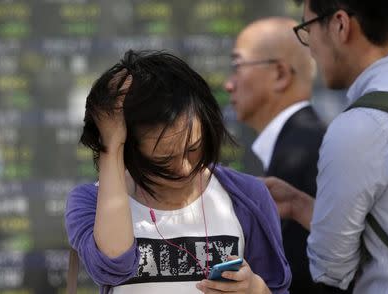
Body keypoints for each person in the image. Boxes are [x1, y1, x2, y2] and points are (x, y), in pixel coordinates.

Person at [65, 49, 291, 294]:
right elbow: (112, 264)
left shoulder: (247, 196)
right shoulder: (91, 202)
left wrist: (255, 289)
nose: (184, 168)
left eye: (194, 148)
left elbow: (277, 288)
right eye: (164, 159)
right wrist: (109, 145)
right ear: (129, 151)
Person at [264, 0, 388, 293]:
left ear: (340, 24)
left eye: (307, 28)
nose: (310, 47)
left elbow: (331, 268)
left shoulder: (358, 127)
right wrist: (300, 204)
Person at [224, 17, 331, 294]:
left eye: (238, 66)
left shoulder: (302, 157)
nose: (228, 84)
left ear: (280, 74)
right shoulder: (311, 142)